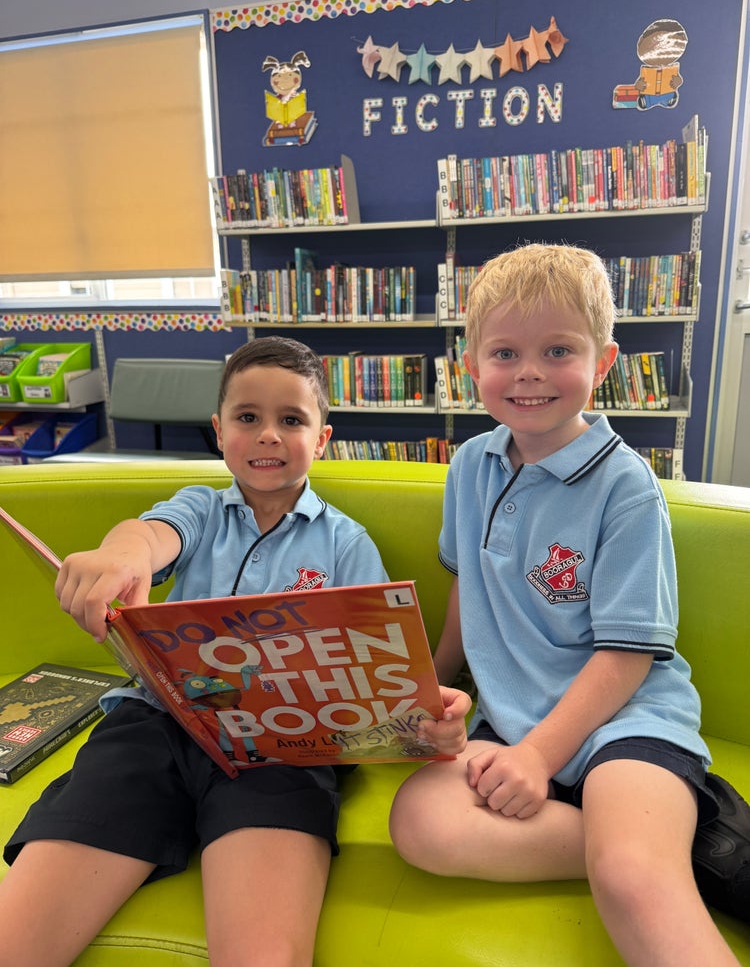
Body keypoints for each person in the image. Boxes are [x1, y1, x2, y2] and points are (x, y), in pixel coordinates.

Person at [0, 336, 470, 967]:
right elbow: (149, 535)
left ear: (322, 439)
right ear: (219, 431)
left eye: (291, 420)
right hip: (154, 728)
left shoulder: (346, 545)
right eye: (248, 418)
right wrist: (121, 557)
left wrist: (420, 721)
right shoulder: (200, 508)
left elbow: (378, 678)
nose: (269, 435)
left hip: (285, 748)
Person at [389, 244, 750, 966]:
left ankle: (645, 843)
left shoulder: (625, 487)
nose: (528, 372)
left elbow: (627, 657)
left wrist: (538, 756)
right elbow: (470, 588)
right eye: (505, 352)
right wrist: (428, 687)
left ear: (604, 362)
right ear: (471, 364)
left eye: (558, 350)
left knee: (631, 879)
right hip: (508, 727)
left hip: (624, 722)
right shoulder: (469, 466)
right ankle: (665, 839)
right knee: (420, 822)